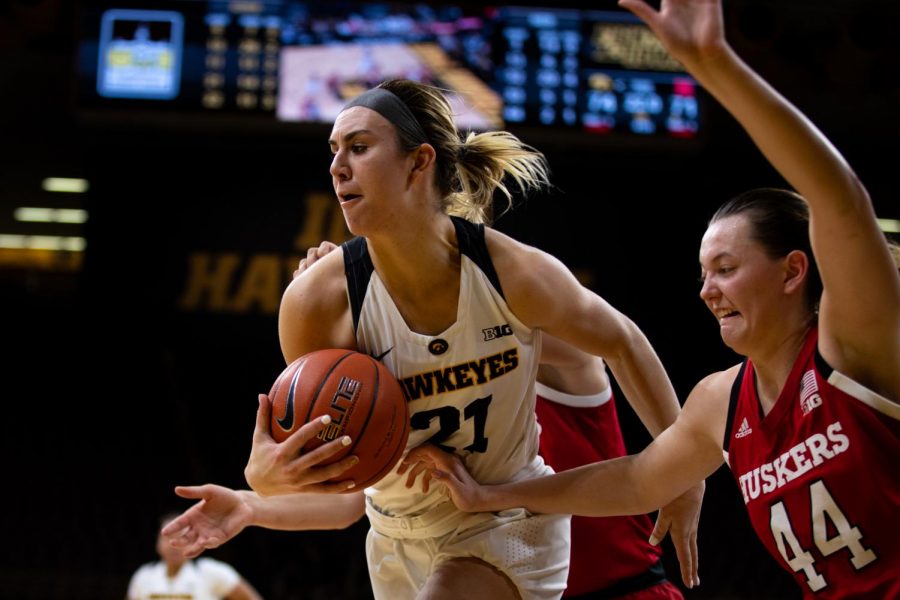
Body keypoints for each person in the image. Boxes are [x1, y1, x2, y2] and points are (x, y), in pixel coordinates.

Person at [400, 0, 900, 598]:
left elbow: (839, 198)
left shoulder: (853, 345)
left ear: (794, 271)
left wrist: (715, 66)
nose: (708, 291)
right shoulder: (722, 401)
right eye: (702, 274)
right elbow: (637, 481)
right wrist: (494, 496)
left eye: (727, 268)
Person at [163, 77, 703, 600]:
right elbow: (348, 489)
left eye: (358, 147)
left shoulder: (510, 273)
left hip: (505, 523)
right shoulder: (316, 303)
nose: (336, 167)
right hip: (396, 539)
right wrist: (260, 491)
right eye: (332, 151)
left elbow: (624, 341)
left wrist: (681, 472)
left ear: (419, 162)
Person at [126, 513, 263, 600]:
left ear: (193, 542)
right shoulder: (143, 576)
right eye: (168, 538)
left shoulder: (212, 571)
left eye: (182, 538)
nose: (174, 545)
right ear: (157, 543)